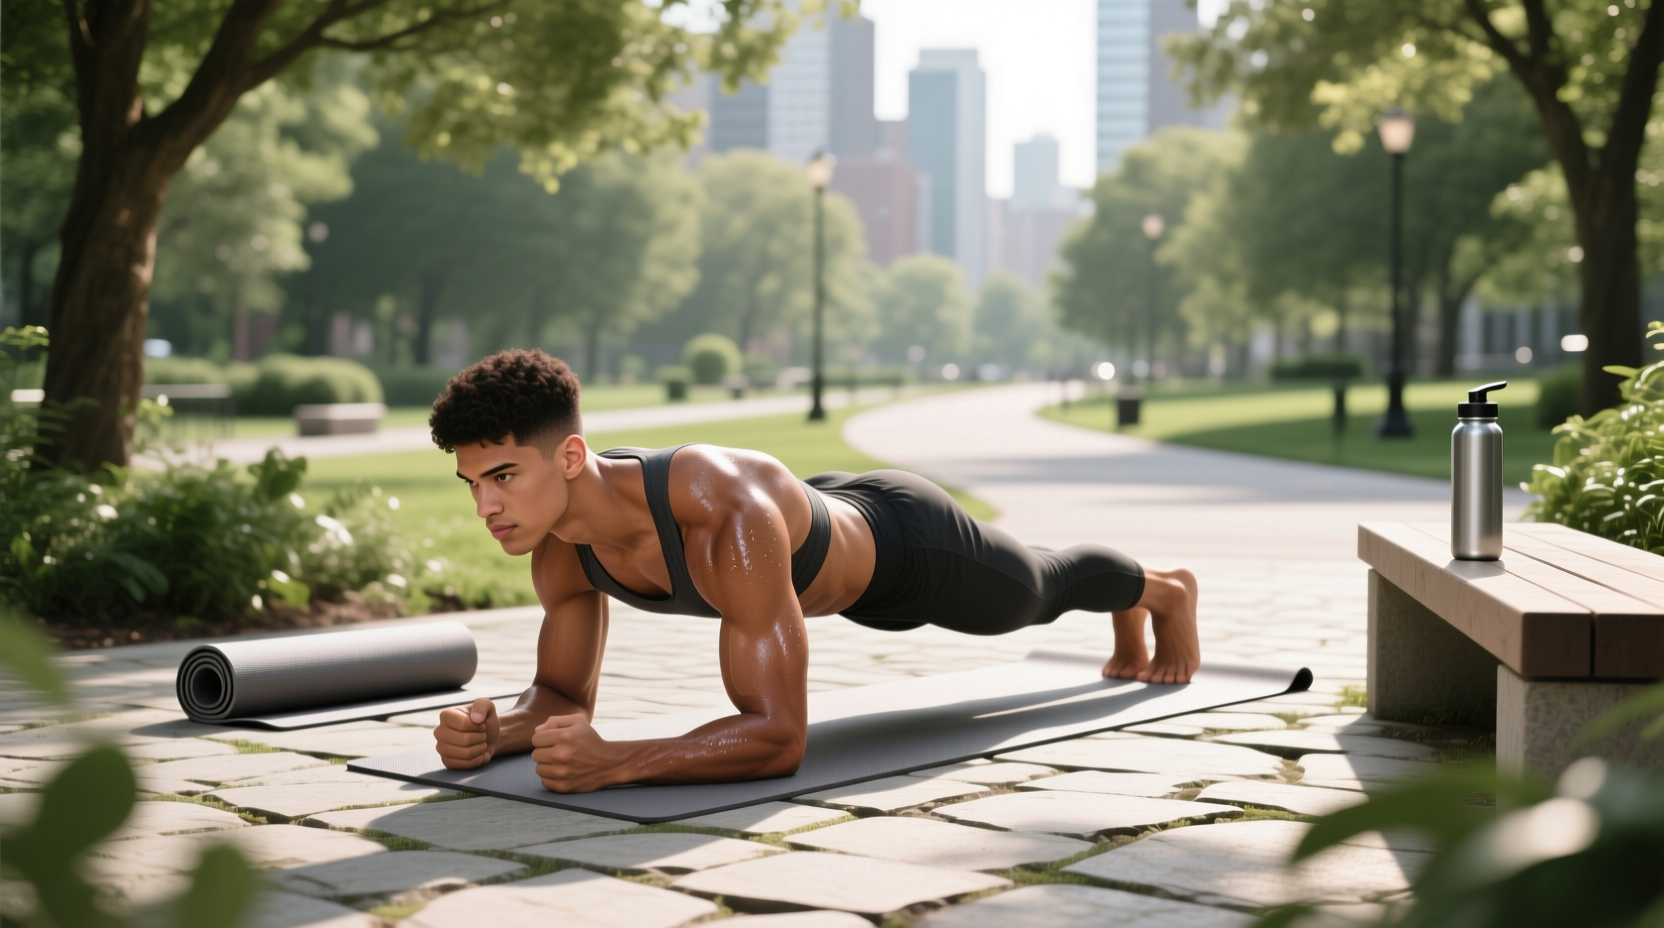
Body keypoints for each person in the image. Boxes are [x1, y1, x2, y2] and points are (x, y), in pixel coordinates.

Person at [429, 350, 1200, 793]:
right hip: (817, 527)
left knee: (1039, 590)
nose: (486, 507)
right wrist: (499, 732)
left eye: (503, 476)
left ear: (569, 455)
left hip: (908, 549)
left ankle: (1161, 590)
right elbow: (561, 695)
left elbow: (778, 738)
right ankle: (1141, 598)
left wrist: (618, 763)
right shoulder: (560, 543)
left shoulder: (716, 508)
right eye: (474, 485)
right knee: (1039, 588)